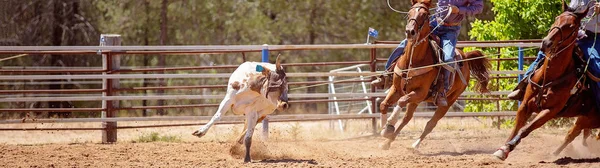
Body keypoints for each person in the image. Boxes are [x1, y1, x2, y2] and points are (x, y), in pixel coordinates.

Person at [372, 0, 484, 106]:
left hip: (450, 30)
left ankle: (442, 90)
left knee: (448, 58)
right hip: (434, 23)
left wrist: (459, 10)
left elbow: (478, 8)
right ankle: (386, 74)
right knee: (405, 44)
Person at [508, 0, 600, 106]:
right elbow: (569, 14)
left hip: (594, 37)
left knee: (596, 67)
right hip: (574, 33)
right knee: (544, 54)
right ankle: (523, 87)